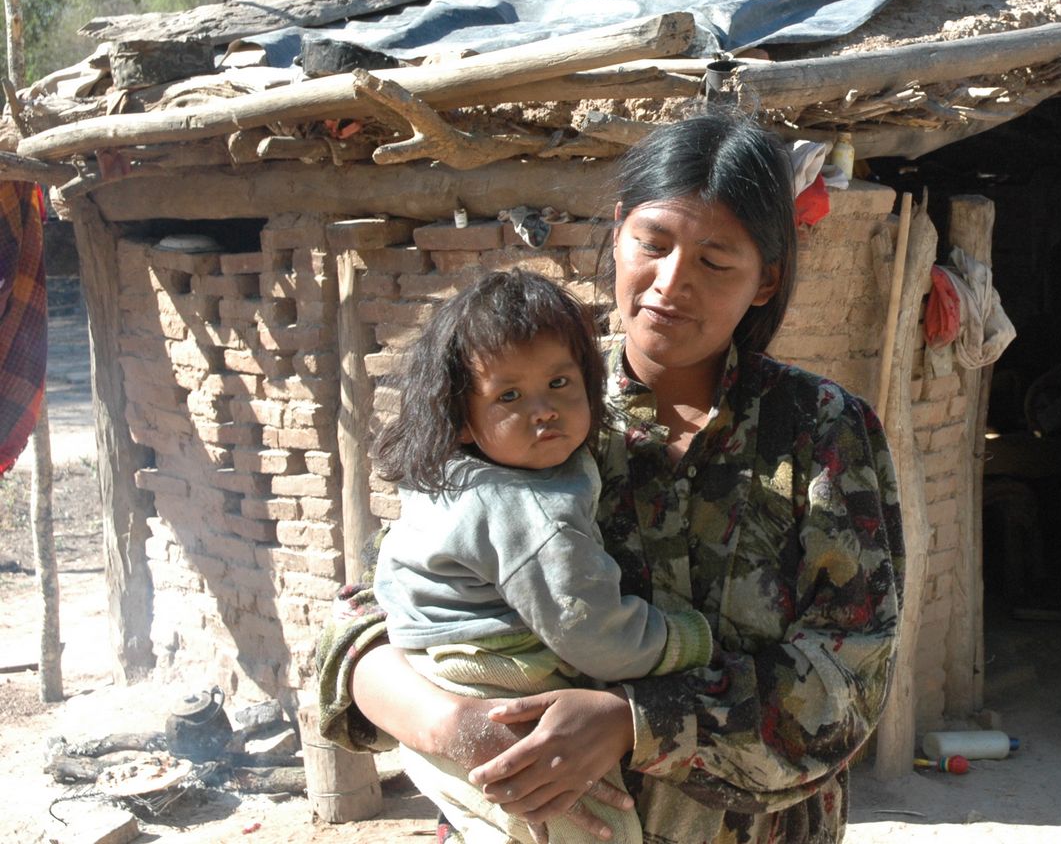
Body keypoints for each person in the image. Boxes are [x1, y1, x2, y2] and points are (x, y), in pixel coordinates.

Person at [315, 108, 904, 843]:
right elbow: (365, 618)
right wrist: (456, 726)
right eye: (652, 244)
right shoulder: (528, 400)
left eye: (716, 262)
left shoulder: (821, 431)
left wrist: (635, 722)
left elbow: (849, 679)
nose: (671, 283)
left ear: (767, 279)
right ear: (620, 231)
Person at [370, 269, 715, 844]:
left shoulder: (454, 475)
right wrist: (689, 640)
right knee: (596, 829)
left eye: (559, 383)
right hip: (490, 685)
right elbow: (594, 633)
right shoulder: (525, 511)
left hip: (434, 673)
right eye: (509, 396)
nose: (544, 410)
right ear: (460, 420)